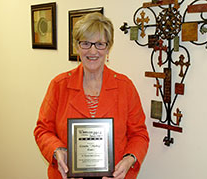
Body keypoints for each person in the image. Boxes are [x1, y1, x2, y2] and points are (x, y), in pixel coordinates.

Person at [34, 12, 149, 179]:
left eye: (100, 44)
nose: (93, 51)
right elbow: (42, 130)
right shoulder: (59, 85)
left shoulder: (125, 87)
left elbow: (139, 135)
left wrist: (129, 159)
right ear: (77, 46)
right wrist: (57, 150)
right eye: (86, 43)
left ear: (108, 47)